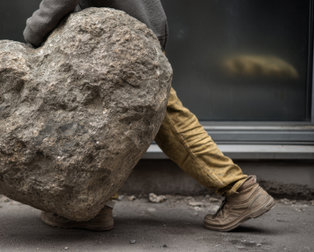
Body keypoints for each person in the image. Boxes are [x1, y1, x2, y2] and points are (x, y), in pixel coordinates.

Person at [23, 0, 275, 232]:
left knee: (169, 122)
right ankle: (98, 208)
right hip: (138, 34)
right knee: (115, 124)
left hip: (118, 42)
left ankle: (239, 190)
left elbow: (58, 3)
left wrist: (32, 33)